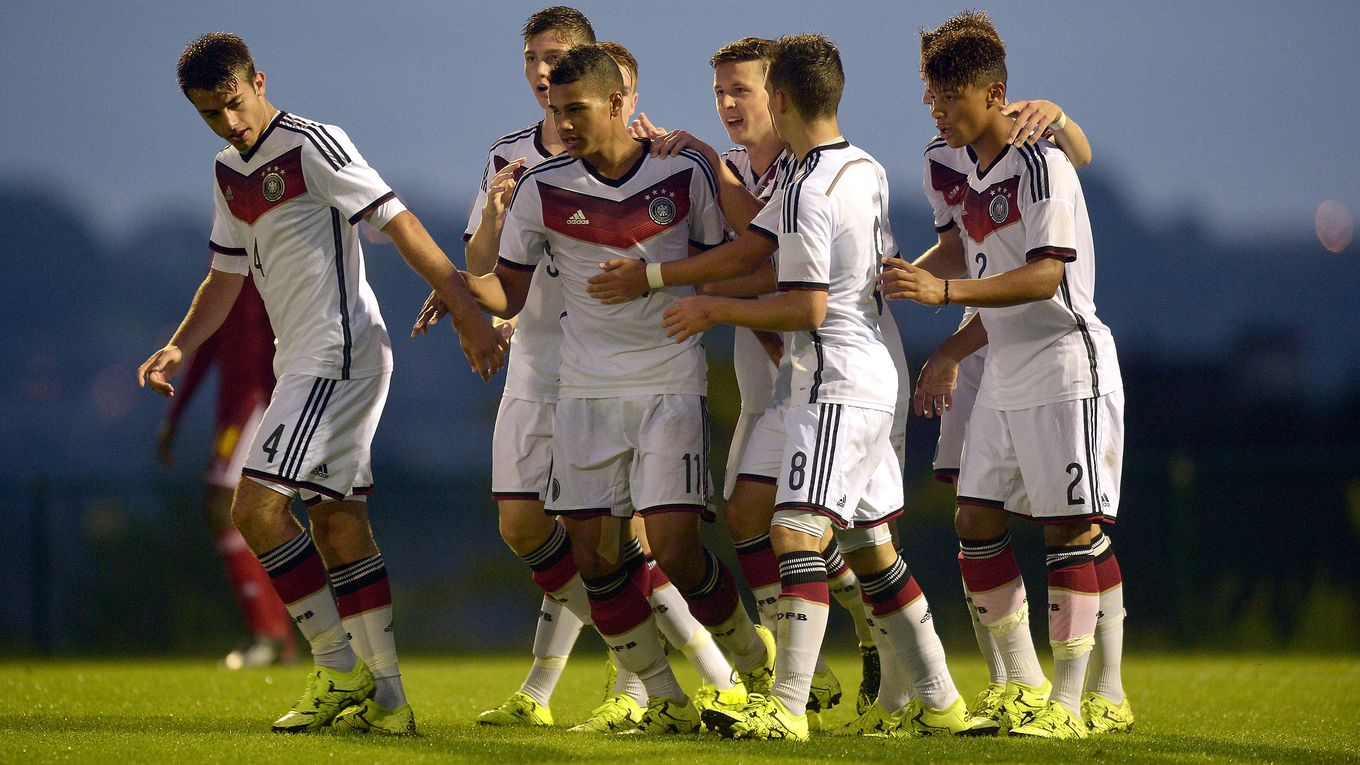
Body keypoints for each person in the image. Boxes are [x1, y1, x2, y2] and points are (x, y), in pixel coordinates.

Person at [138, 31, 504, 736]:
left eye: (235, 104)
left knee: (255, 511)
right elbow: (225, 274)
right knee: (338, 523)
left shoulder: (312, 144)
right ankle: (391, 702)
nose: (230, 122)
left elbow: (397, 222)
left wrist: (465, 308)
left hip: (336, 353)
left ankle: (338, 668)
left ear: (260, 81)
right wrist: (180, 345)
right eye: (211, 114)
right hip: (306, 357)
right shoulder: (227, 169)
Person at [417, 16, 739, 731]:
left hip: (613, 370)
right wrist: (472, 294)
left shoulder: (659, 161)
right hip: (538, 361)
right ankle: (677, 668)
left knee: (617, 539)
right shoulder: (511, 158)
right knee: (528, 527)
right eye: (531, 58)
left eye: (556, 59)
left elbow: (733, 252)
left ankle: (641, 685)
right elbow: (488, 262)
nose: (541, 71)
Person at [645, 33, 967, 741]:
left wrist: (711, 305)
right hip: (864, 371)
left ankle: (788, 704)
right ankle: (941, 701)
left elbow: (806, 305)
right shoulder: (861, 168)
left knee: (794, 529)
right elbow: (760, 250)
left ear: (781, 98)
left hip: (834, 380)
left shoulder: (806, 189)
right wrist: (667, 278)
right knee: (867, 546)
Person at [882, 17, 1127, 739]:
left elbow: (1048, 273)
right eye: (930, 96)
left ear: (995, 94)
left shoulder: (1040, 160)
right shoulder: (945, 160)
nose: (937, 110)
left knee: (1069, 528)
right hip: (1007, 364)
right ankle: (1022, 684)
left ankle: (1074, 704)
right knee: (975, 518)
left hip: (1064, 362)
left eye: (949, 95)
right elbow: (965, 253)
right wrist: (893, 283)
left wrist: (944, 301)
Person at [156, 275, 297, 669]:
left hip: (259, 402)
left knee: (230, 507)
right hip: (236, 408)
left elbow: (287, 329)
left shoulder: (264, 249)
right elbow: (209, 346)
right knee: (243, 512)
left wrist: (286, 400)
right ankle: (276, 636)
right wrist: (176, 414)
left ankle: (269, 633)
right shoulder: (231, 250)